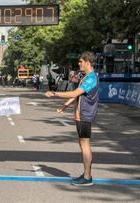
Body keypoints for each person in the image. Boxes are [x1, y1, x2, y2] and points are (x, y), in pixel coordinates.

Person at [45, 51, 99, 186]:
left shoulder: (91, 78)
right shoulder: (86, 77)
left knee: (85, 144)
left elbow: (75, 92)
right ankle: (86, 175)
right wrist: (65, 105)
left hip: (85, 115)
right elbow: (78, 96)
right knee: (82, 144)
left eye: (81, 61)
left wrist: (54, 93)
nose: (79, 63)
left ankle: (87, 177)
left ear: (88, 62)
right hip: (81, 115)